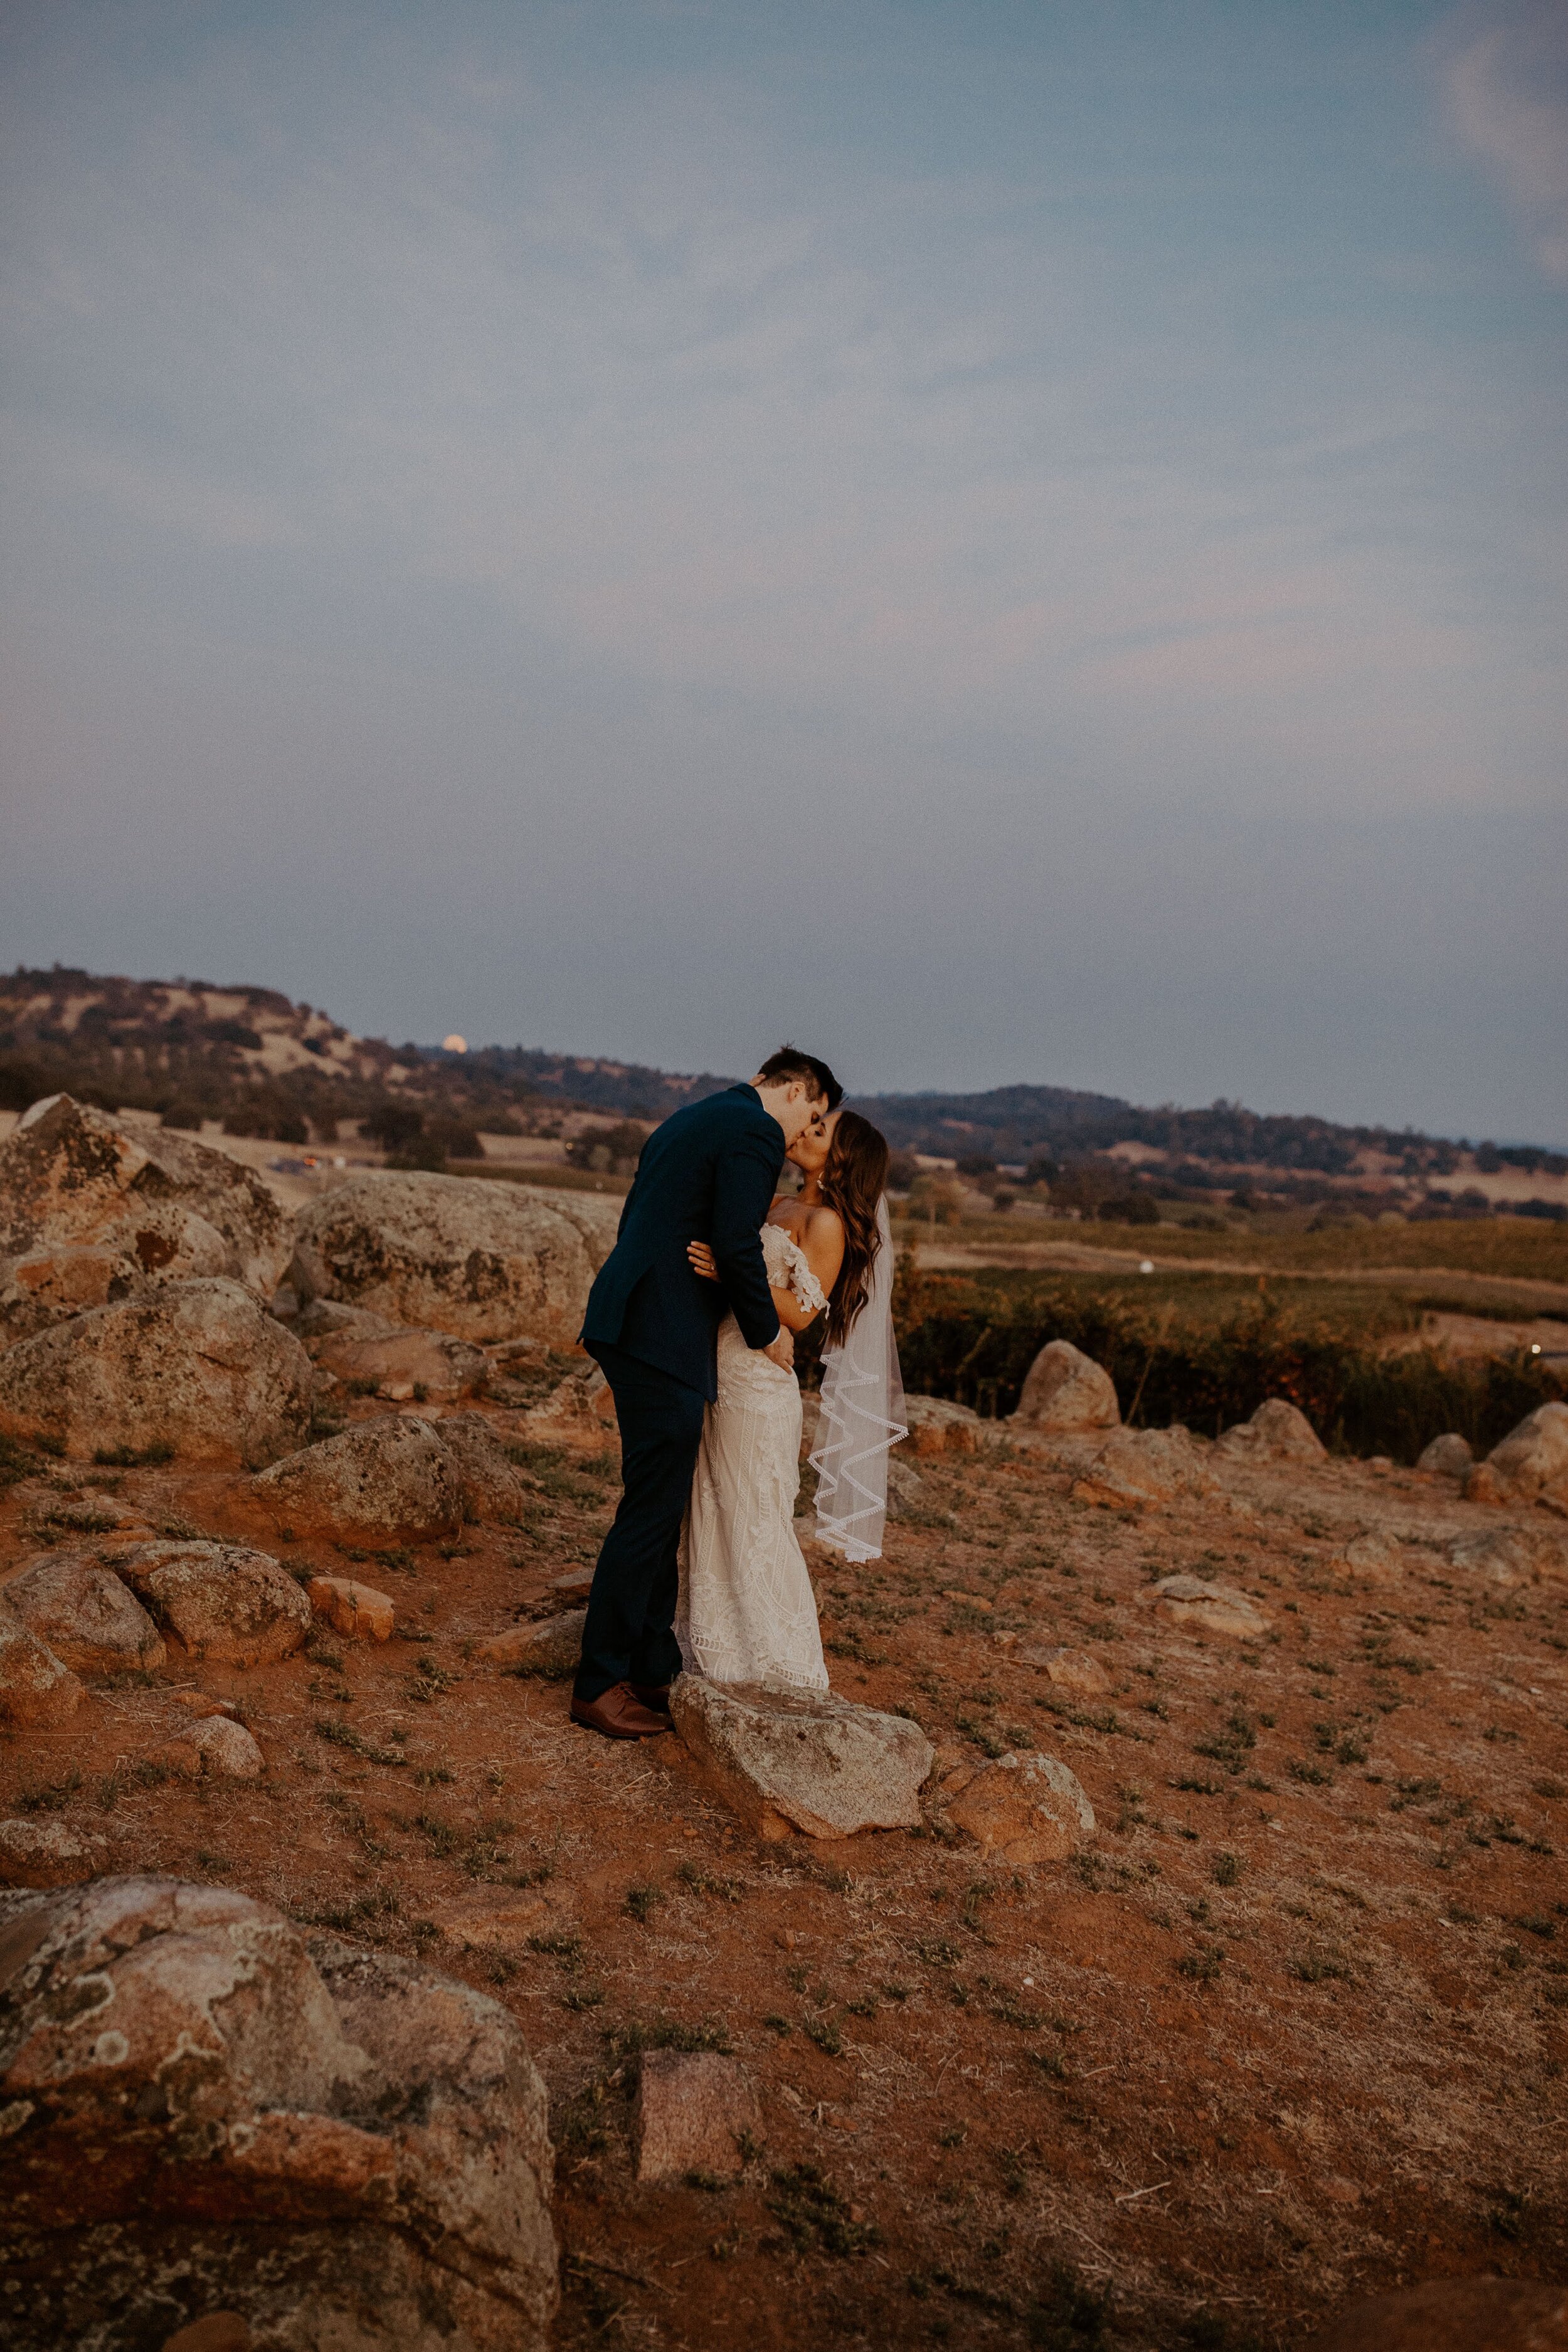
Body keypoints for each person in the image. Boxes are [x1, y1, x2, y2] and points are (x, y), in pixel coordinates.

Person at [571, 1047, 842, 1739]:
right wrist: (764, 1333)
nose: (799, 1135)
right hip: (661, 1334)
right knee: (650, 1513)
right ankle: (600, 1683)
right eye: (809, 1115)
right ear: (797, 1089)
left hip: (637, 1319)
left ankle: (653, 1667)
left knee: (660, 1507)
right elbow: (733, 1241)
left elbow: (648, 1217)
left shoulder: (693, 1115)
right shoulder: (751, 1129)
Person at [678, 1108, 905, 1689]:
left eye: (820, 1131)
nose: (803, 1131)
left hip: (758, 1388)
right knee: (710, 1503)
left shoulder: (827, 1223)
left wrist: (733, 1272)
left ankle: (781, 1667)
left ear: (843, 1157)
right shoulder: (780, 1203)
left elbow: (803, 1314)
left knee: (754, 1518)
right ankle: (712, 1651)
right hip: (723, 1364)